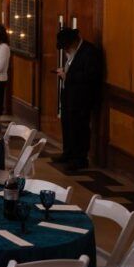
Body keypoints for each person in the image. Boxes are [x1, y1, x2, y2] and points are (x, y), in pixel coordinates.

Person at [55, 28, 102, 171]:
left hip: (81, 98)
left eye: (67, 47)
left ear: (74, 42)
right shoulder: (73, 51)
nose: (66, 50)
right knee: (67, 125)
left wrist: (67, 76)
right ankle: (68, 153)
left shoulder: (89, 52)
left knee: (79, 128)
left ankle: (80, 159)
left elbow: (91, 76)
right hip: (69, 95)